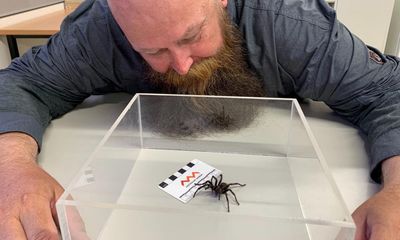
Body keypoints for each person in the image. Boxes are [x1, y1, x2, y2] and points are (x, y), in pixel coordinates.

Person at [0, 0, 399, 239]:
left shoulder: (292, 26)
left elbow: (386, 90)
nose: (181, 64)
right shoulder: (97, 32)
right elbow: (22, 82)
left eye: (192, 36)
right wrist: (11, 166)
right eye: (153, 50)